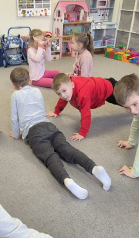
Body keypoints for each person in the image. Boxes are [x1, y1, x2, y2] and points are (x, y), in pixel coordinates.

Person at [8, 67, 111, 200]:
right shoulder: (37, 91)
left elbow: (14, 118)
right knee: (67, 148)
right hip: (49, 125)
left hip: (33, 132)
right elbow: (40, 108)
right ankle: (94, 167)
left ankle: (66, 180)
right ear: (30, 81)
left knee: (50, 156)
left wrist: (16, 134)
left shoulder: (15, 95)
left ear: (13, 85)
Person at [47, 73, 120, 141]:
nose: (62, 95)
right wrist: (56, 112)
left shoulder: (82, 95)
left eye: (64, 91)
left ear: (72, 85)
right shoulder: (68, 88)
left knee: (124, 101)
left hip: (110, 89)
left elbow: (86, 114)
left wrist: (82, 133)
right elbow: (62, 100)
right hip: (100, 83)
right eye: (59, 94)